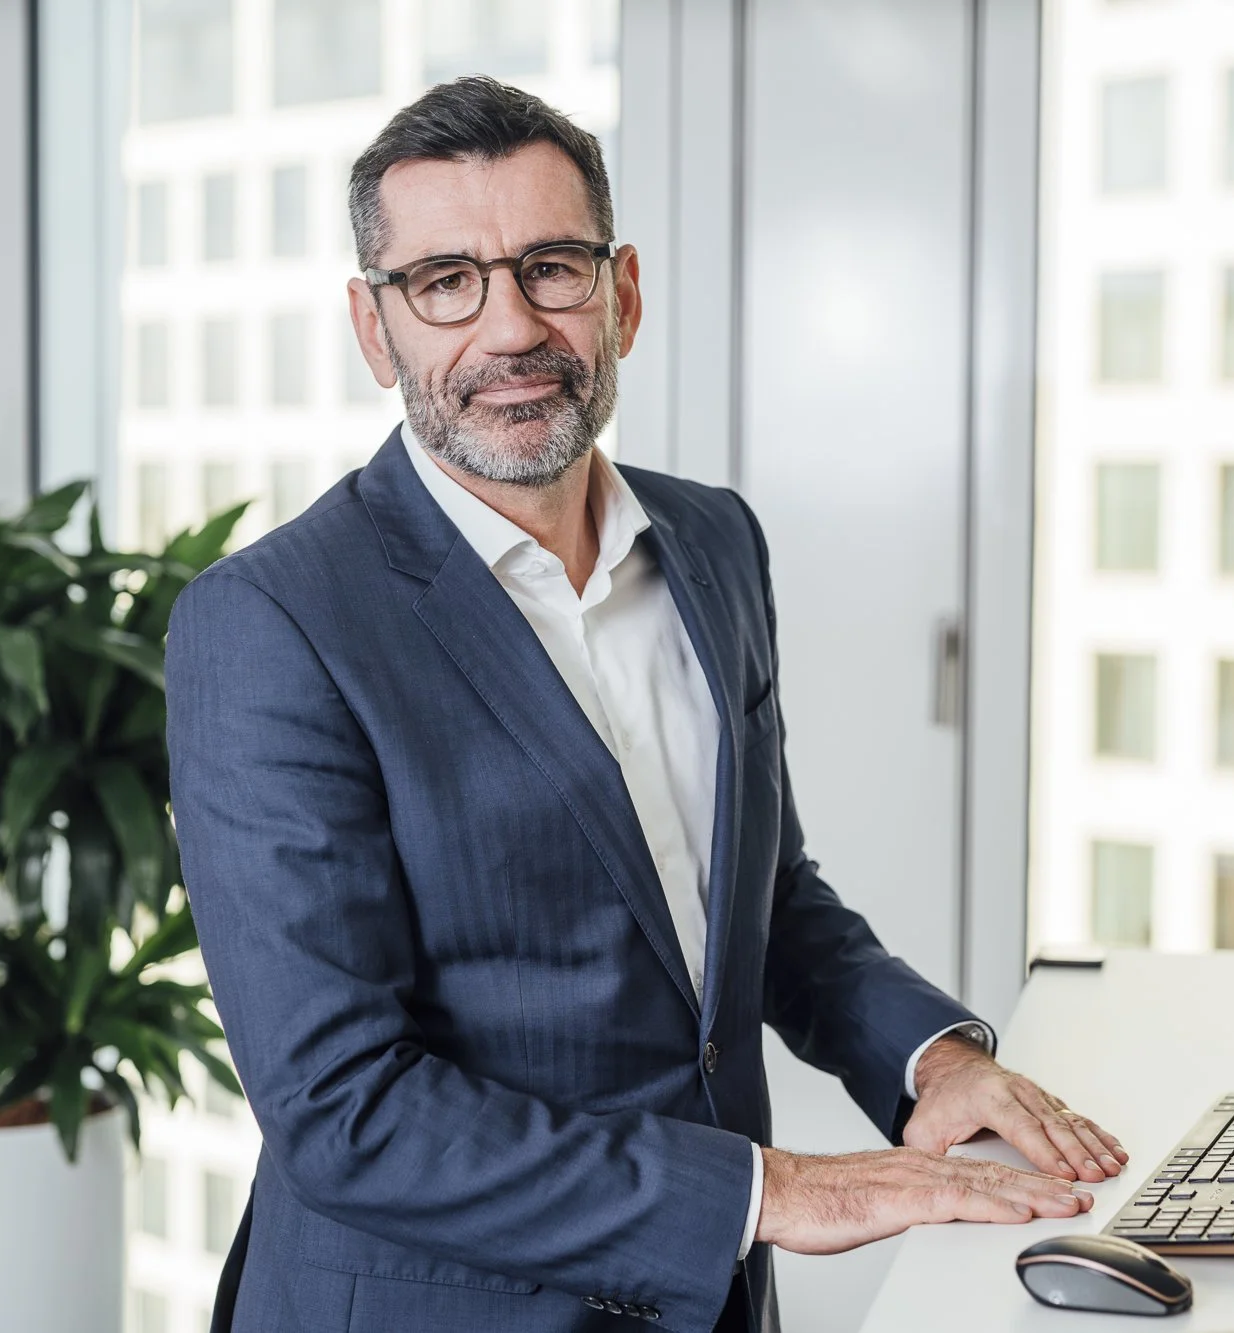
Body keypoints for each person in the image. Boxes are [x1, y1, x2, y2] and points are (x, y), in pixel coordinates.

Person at [165, 76, 1125, 1333]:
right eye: (445, 282)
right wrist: (774, 1189)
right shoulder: (271, 622)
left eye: (549, 268)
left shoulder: (713, 542)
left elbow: (764, 899)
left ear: (620, 293)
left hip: (709, 1305)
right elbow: (347, 1110)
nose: (511, 327)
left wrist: (933, 1061)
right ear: (373, 326)